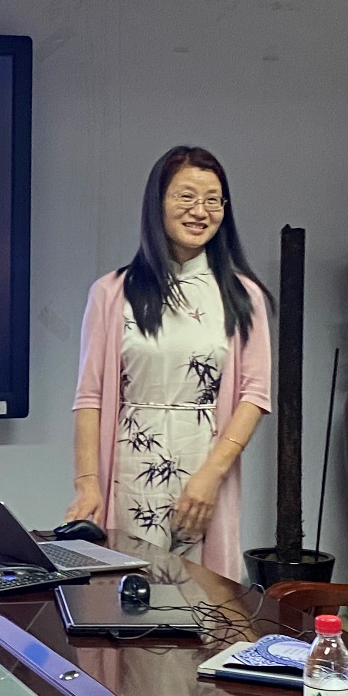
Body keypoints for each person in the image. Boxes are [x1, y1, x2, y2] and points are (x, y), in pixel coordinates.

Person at [67, 145, 273, 579]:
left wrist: (210, 478)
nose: (200, 211)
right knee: (127, 595)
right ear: (157, 203)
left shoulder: (243, 295)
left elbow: (254, 396)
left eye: (213, 200)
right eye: (186, 196)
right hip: (128, 471)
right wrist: (87, 485)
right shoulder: (112, 292)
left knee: (201, 597)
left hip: (204, 467)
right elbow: (90, 397)